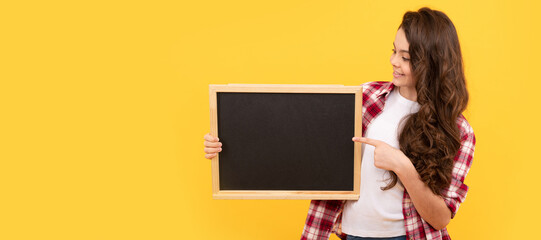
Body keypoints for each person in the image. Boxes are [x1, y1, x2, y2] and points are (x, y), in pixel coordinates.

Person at [203, 7, 475, 240]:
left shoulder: (458, 131)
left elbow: (441, 218)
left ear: (432, 63)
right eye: (394, 51)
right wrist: (231, 146)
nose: (393, 62)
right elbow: (297, 140)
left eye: (406, 58)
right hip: (352, 233)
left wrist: (403, 166)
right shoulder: (365, 98)